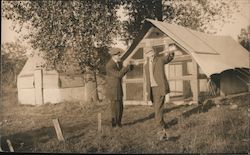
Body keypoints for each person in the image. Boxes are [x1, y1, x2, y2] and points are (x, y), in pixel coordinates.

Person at [144, 44, 176, 140]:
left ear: (154, 52)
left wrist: (171, 51)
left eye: (152, 52)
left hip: (159, 88)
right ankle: (162, 123)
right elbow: (147, 80)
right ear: (146, 54)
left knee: (158, 108)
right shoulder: (146, 65)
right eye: (149, 53)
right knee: (157, 108)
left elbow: (169, 58)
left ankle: (160, 128)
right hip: (151, 89)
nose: (151, 54)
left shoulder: (160, 60)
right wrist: (147, 91)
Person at [105, 47, 133, 128]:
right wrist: (126, 66)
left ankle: (119, 122)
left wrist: (130, 65)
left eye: (119, 55)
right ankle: (114, 123)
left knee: (120, 106)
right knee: (114, 107)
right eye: (118, 55)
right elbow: (119, 75)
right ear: (113, 56)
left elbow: (123, 72)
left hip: (118, 88)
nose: (119, 56)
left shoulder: (118, 63)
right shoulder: (109, 65)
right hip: (113, 89)